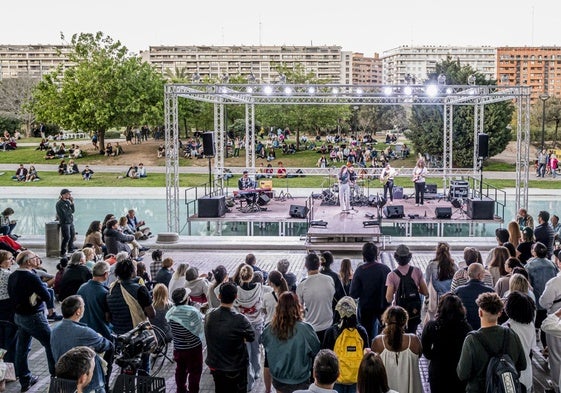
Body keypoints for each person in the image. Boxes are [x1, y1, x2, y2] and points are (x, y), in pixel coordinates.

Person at [457, 292, 526, 393]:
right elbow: (523, 365)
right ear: (500, 313)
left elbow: (462, 374)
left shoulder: (471, 340)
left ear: (480, 313)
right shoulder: (511, 334)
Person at [7, 251, 56, 392]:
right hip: (34, 317)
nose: (37, 259)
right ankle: (56, 376)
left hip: (19, 316)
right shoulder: (32, 277)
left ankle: (25, 379)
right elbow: (46, 296)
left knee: (22, 348)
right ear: (28, 262)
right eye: (35, 258)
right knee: (50, 343)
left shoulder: (13, 275)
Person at [50, 295, 113, 393]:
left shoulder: (55, 330)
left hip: (65, 382)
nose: (84, 308)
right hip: (88, 385)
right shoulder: (85, 332)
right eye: (83, 306)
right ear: (78, 311)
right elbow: (107, 345)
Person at [262, 291, 321, 393]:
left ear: (278, 307)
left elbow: (267, 357)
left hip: (278, 379)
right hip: (301, 379)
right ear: (297, 307)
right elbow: (316, 352)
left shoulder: (268, 329)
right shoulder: (306, 329)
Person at [204, 281, 255, 393]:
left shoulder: (209, 315)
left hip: (216, 365)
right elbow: (251, 337)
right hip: (236, 367)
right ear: (236, 297)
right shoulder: (241, 319)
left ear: (219, 296)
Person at [421, 293, 472, 393]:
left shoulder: (432, 326)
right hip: (458, 371)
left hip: (438, 371)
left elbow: (425, 351)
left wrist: (434, 356)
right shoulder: (466, 327)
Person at [322, 297, 369, 393]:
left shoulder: (331, 332)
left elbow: (324, 356)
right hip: (356, 379)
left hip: (336, 379)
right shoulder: (361, 332)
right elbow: (367, 355)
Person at [371, 306, 423, 393]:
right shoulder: (414, 340)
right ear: (404, 321)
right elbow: (419, 355)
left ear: (386, 321)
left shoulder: (378, 342)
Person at [166, 287, 204, 393]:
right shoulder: (193, 312)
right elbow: (199, 329)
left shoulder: (171, 313)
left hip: (178, 347)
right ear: (186, 299)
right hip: (193, 348)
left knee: (180, 370)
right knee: (195, 372)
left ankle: (181, 389)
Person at [350, 242, 390, 340]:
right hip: (383, 306)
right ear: (376, 254)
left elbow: (353, 294)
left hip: (366, 308)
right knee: (384, 333)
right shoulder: (385, 269)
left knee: (365, 334)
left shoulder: (360, 270)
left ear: (363, 255)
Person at [385, 244, 428, 333]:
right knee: (412, 332)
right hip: (414, 311)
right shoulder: (417, 271)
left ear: (396, 258)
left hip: (399, 312)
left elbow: (389, 298)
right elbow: (425, 292)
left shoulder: (392, 275)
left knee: (399, 334)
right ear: (409, 257)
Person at [235, 264, 265, 391]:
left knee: (246, 352)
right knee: (256, 348)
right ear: (252, 275)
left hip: (243, 324)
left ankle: (250, 377)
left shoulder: (237, 290)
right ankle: (257, 370)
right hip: (257, 322)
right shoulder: (259, 287)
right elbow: (262, 302)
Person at [296, 253, 336, 343]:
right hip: (329, 325)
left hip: (311, 327)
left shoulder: (302, 285)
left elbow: (299, 308)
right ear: (319, 265)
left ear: (306, 266)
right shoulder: (329, 279)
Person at [503, 291, 536, 392]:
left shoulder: (506, 327)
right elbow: (532, 346)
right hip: (527, 372)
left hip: (511, 375)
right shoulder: (530, 325)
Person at [526, 241, 558, 347]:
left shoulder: (529, 266)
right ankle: (546, 348)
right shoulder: (552, 264)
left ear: (534, 253)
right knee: (547, 325)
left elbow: (528, 284)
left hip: (536, 299)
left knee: (538, 323)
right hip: (552, 302)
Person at [454, 263, 495, 330]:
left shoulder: (458, 291)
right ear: (479, 275)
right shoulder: (490, 291)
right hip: (483, 328)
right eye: (483, 273)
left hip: (463, 328)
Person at [424, 242, 458, 321]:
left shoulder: (431, 265)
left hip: (436, 298)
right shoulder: (453, 265)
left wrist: (426, 299)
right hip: (450, 298)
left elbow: (427, 282)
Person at [56, 188, 76, 257]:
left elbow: (72, 211)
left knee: (72, 235)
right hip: (65, 222)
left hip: (70, 221)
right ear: (63, 195)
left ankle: (71, 248)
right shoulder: (59, 203)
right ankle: (63, 251)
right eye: (67, 194)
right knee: (67, 237)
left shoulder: (68, 202)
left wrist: (72, 203)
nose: (69, 195)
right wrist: (69, 212)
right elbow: (64, 213)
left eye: (69, 194)